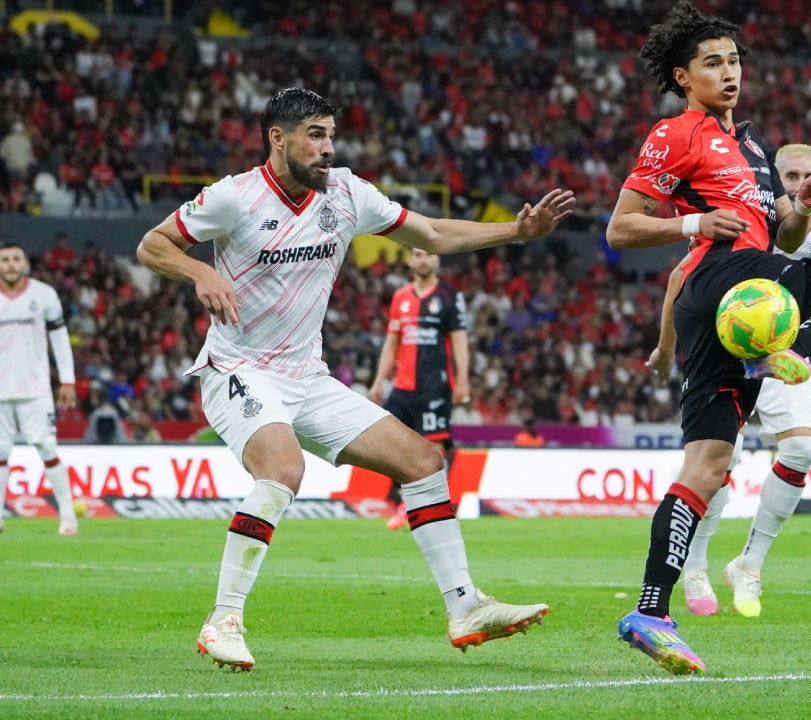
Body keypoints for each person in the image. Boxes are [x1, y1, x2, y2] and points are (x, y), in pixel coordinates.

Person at [136, 87, 574, 671]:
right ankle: (223, 620)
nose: (327, 148)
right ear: (278, 139)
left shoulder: (347, 193)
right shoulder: (232, 197)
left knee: (423, 461)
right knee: (283, 469)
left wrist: (514, 233)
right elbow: (152, 244)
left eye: (331, 136)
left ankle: (466, 606)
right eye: (315, 135)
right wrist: (199, 272)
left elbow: (433, 234)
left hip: (308, 377)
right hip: (239, 369)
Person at [606, 2, 811, 675]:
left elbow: (784, 237)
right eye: (712, 63)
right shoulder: (675, 132)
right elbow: (621, 228)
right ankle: (785, 350)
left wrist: (803, 205)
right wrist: (691, 224)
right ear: (684, 77)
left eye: (733, 60)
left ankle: (649, 612)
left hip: (740, 290)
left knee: (706, 467)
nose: (729, 72)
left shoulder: (756, 146)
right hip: (725, 277)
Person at [646, 144, 811, 619]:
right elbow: (682, 275)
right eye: (789, 176)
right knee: (719, 460)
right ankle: (696, 566)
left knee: (802, 449)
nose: (798, 184)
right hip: (732, 344)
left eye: (808, 175)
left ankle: (749, 564)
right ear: (773, 181)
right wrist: (665, 348)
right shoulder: (752, 215)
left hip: (786, 355)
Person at [369, 247, 470, 531]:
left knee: (435, 448)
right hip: (402, 386)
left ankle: (431, 505)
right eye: (417, 254)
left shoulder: (449, 297)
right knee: (390, 443)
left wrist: (463, 379)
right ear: (411, 260)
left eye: (428, 254)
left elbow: (459, 340)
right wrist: (379, 381)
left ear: (437, 259)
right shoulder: (400, 297)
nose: (423, 260)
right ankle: (407, 499)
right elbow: (392, 342)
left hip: (435, 385)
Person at [0, 242, 79, 535]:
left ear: (25, 264)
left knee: (47, 448)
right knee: (0, 452)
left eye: (15, 259)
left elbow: (59, 338)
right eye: (4, 260)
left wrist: (67, 380)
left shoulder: (44, 295)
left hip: (35, 389)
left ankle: (68, 516)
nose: (10, 264)